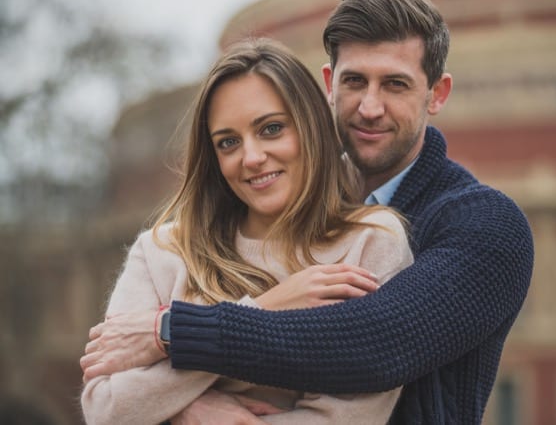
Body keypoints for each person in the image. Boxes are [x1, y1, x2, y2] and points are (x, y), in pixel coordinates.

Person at [81, 0, 535, 423]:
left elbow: (375, 345)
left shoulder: (485, 225)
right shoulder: (231, 218)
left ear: (437, 93)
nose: (370, 107)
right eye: (354, 81)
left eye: (395, 84)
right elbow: (105, 402)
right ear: (328, 85)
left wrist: (172, 332)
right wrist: (185, 411)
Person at [80, 37, 414, 425]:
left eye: (271, 129)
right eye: (228, 142)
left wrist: (169, 402)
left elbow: (348, 416)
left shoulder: (370, 242)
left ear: (311, 127)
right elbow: (105, 408)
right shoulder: (162, 252)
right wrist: (267, 309)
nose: (252, 158)